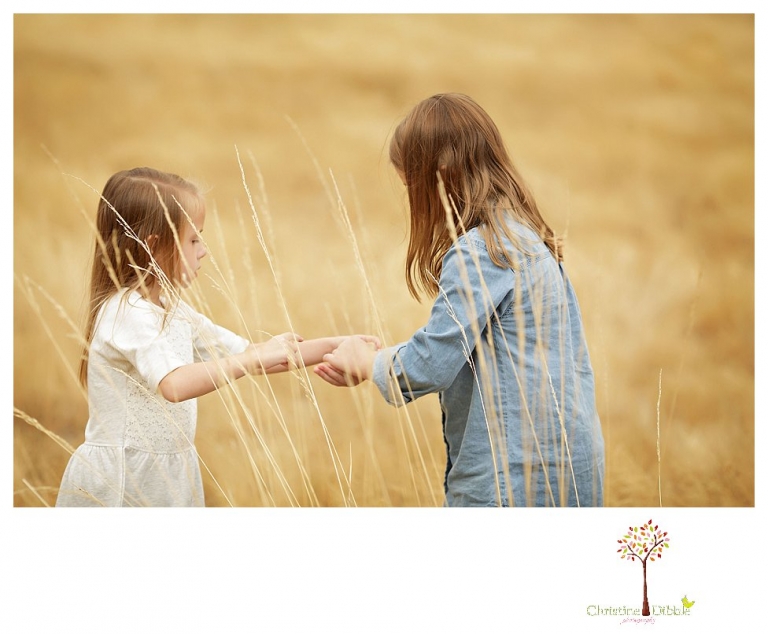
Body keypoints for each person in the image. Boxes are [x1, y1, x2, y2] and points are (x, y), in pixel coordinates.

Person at [315, 93, 605, 507]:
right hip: (568, 467)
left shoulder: (482, 250)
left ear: (441, 176)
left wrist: (367, 362)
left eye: (411, 187)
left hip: (512, 478)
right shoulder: (523, 237)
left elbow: (431, 363)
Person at [56, 167, 378, 507]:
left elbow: (251, 353)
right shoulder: (126, 312)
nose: (204, 250)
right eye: (193, 239)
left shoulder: (173, 310)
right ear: (152, 246)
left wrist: (335, 345)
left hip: (167, 477)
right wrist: (251, 359)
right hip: (123, 482)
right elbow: (175, 384)